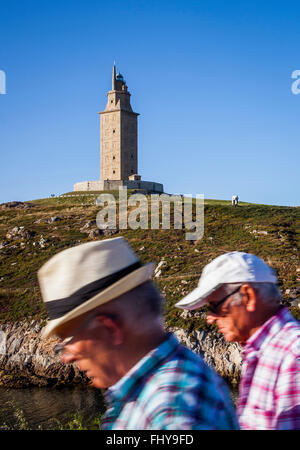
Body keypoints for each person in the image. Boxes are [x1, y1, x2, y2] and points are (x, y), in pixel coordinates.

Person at [38, 237, 239, 430]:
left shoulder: (171, 415)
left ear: (110, 328)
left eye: (68, 340)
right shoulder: (167, 384)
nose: (67, 357)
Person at [175, 251, 300, 430]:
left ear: (248, 297)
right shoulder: (260, 353)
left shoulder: (293, 356)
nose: (210, 318)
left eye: (214, 306)